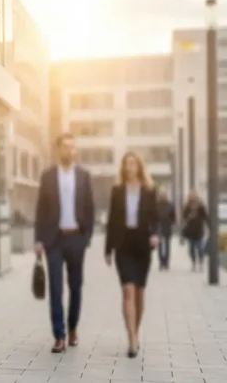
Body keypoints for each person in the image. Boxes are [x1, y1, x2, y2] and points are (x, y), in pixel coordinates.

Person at [34, 133, 95, 354]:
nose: (69, 151)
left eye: (72, 147)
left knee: (76, 287)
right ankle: (59, 335)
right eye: (65, 147)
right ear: (58, 149)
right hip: (54, 239)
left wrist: (86, 236)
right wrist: (38, 240)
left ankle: (72, 328)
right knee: (56, 289)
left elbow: (89, 207)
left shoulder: (84, 176)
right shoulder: (48, 176)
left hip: (76, 238)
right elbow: (40, 210)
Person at [104, 152, 159, 358]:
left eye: (133, 163)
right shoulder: (117, 191)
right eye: (126, 163)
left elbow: (155, 218)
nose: (130, 167)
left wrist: (155, 235)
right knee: (128, 289)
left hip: (142, 246)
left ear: (139, 167)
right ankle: (132, 339)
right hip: (123, 245)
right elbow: (111, 220)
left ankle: (135, 330)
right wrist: (108, 249)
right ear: (123, 167)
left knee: (139, 292)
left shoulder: (148, 190)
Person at [182, 190, 209, 272]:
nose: (192, 197)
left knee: (200, 247)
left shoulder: (201, 206)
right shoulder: (187, 206)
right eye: (191, 196)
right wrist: (189, 216)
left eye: (193, 196)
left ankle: (201, 262)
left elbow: (205, 216)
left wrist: (209, 226)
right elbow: (184, 217)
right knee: (191, 249)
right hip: (190, 230)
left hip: (199, 229)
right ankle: (193, 263)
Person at [155, 186, 176, 271]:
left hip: (167, 226)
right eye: (161, 194)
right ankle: (161, 262)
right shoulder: (156, 204)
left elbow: (173, 216)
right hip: (158, 227)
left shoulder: (170, 205)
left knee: (167, 245)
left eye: (164, 194)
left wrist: (171, 223)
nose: (163, 195)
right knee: (159, 245)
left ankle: (166, 262)